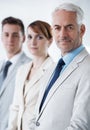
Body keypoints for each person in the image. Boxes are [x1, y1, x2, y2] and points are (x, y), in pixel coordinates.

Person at [30, 3, 90, 130]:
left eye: (69, 27)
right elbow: (36, 117)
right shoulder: (52, 68)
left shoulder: (87, 68)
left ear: (82, 30)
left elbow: (80, 125)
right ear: (52, 31)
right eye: (57, 28)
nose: (63, 35)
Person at [7, 20, 54, 130]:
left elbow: (52, 113)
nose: (33, 42)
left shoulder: (54, 71)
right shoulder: (22, 70)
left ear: (50, 41)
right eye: (29, 37)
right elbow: (16, 107)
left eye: (39, 37)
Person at [0, 16, 31, 130]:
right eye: (6, 34)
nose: (10, 39)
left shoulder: (30, 66)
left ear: (23, 38)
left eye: (15, 35)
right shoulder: (2, 65)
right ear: (1, 37)